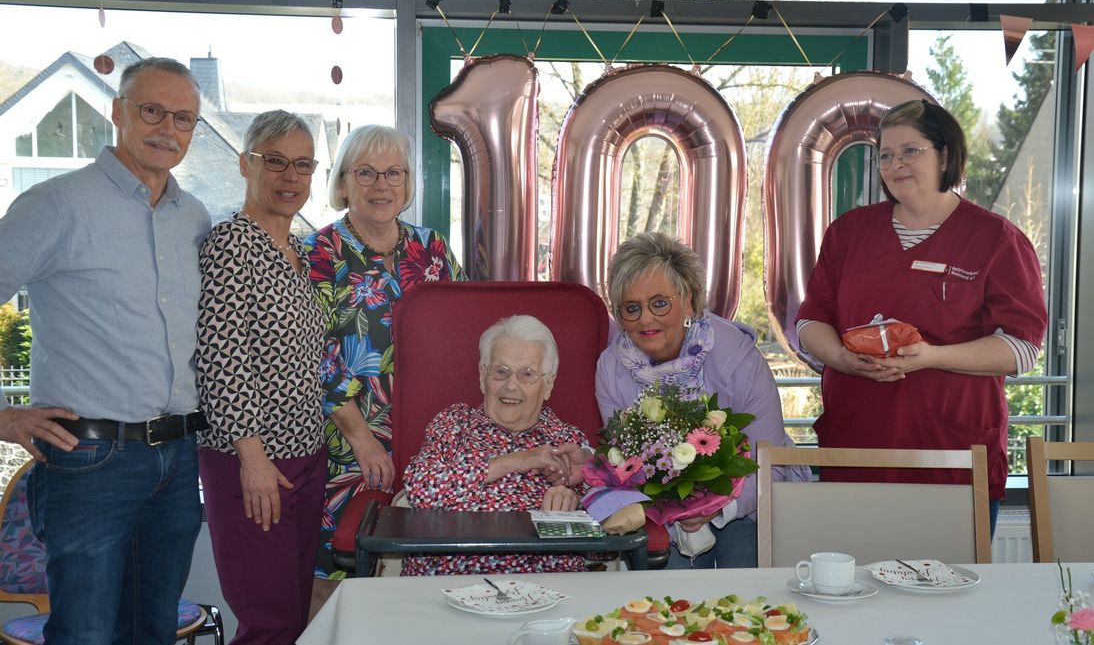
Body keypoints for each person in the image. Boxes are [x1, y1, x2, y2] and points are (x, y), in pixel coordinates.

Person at [0, 57, 211, 644]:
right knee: (86, 635)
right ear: (117, 112)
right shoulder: (55, 205)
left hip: (178, 460)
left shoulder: (193, 218)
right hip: (88, 463)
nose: (168, 128)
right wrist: (3, 416)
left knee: (152, 633)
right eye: (152, 111)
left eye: (185, 119)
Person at [796, 99, 1047, 533]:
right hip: (857, 446)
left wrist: (931, 357)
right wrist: (839, 358)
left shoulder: (995, 239)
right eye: (886, 155)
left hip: (950, 455)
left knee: (950, 592)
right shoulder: (849, 233)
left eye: (911, 151)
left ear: (945, 155)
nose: (896, 165)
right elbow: (810, 321)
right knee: (852, 591)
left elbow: (1021, 348)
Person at [305, 125, 465, 595]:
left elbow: (467, 333)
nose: (381, 185)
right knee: (351, 568)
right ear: (342, 184)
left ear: (408, 181)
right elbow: (316, 359)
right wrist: (361, 441)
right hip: (350, 444)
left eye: (393, 173)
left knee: (428, 568)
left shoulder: (432, 249)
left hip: (432, 437)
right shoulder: (319, 253)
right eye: (367, 173)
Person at [595, 232, 809, 569]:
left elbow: (771, 465)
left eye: (660, 302)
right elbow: (624, 462)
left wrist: (716, 508)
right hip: (661, 509)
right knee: (662, 603)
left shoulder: (739, 360)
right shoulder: (611, 368)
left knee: (742, 595)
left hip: (746, 504)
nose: (646, 319)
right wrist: (676, 507)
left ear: (691, 300)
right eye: (631, 308)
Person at [196, 110, 326, 644]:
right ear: (245, 163)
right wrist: (252, 458)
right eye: (275, 161)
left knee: (293, 613)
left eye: (302, 164)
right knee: (267, 621)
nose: (290, 176)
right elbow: (221, 359)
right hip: (252, 461)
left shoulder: (298, 252)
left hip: (305, 455)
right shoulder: (231, 244)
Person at [401, 314, 586, 576]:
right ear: (482, 375)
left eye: (527, 375)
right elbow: (419, 488)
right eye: (501, 372)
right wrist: (516, 460)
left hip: (546, 590)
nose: (511, 386)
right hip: (447, 584)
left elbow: (608, 536)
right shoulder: (454, 424)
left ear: (549, 383)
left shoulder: (568, 441)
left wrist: (575, 503)